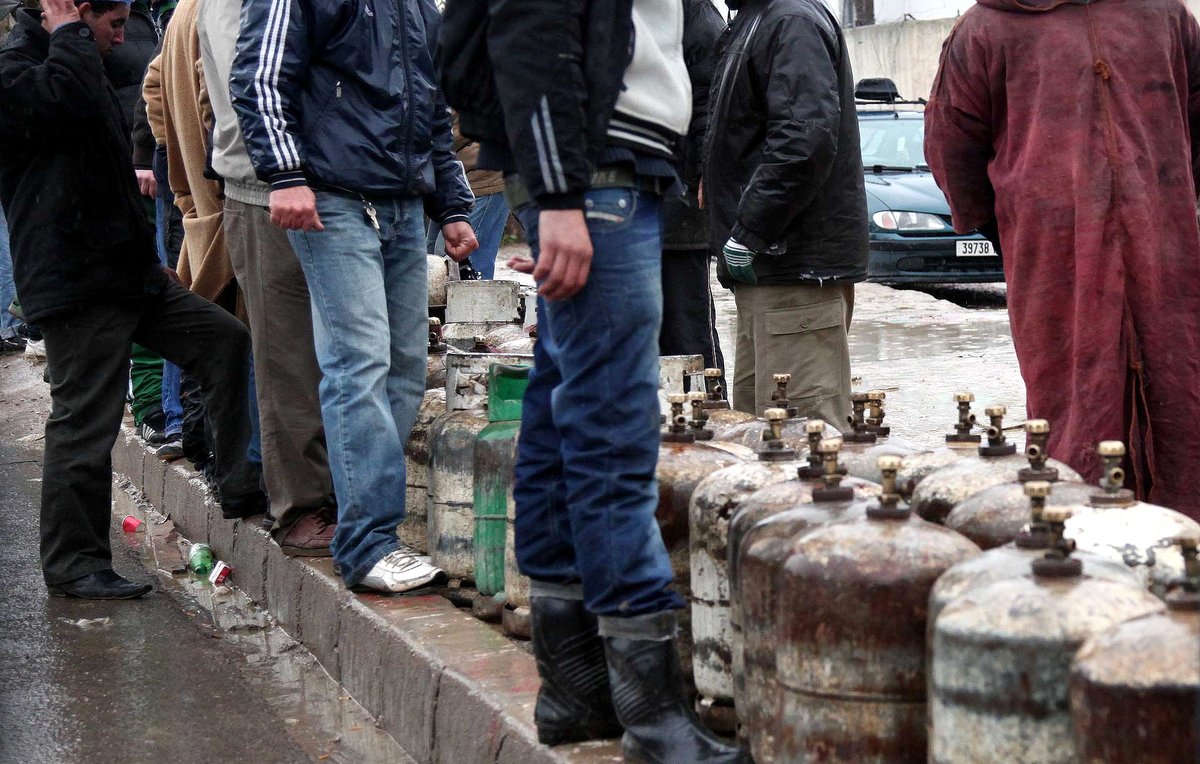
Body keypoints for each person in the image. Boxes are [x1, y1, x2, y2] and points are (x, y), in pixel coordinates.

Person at [443, 0, 748, 759]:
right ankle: (654, 720)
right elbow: (531, 26)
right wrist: (558, 196)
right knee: (613, 432)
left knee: (558, 416)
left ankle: (577, 689)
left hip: (600, 168)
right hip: (595, 174)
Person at [0, 0, 265, 599]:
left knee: (224, 340)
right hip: (74, 283)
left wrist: (150, 265)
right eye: (111, 25)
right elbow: (62, 107)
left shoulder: (75, 62)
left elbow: (104, 174)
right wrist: (68, 31)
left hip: (125, 275)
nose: (120, 39)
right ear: (73, 13)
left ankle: (236, 482)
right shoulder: (18, 70)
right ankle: (74, 565)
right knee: (84, 426)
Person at [232, 0, 477, 592]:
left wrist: (451, 203)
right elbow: (259, 76)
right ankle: (367, 543)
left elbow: (429, 107)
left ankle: (370, 527)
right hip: (334, 198)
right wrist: (286, 174)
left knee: (404, 371)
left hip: (400, 203)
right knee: (359, 363)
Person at [924, 0, 1200, 519]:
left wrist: (1167, 203)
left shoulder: (1163, 14)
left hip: (1158, 249)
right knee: (1074, 396)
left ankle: (1172, 544)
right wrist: (1015, 226)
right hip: (1061, 258)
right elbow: (953, 141)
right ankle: (1078, 533)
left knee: (1176, 391)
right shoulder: (991, 26)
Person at [198, 0, 337, 555]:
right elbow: (253, 87)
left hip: (329, 188)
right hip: (272, 193)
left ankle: (335, 498)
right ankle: (301, 508)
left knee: (341, 360)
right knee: (288, 362)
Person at [703, 0, 867, 427]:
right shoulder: (758, 19)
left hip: (793, 267)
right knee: (762, 435)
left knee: (802, 437)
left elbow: (804, 139)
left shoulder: (790, 20)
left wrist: (751, 228)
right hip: (767, 271)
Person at [659, 0, 727, 376]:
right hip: (642, 202)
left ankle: (705, 418)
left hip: (677, 203)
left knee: (688, 335)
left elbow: (710, 103)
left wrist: (702, 174)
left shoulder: (694, 14)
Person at [427, 114, 510, 279]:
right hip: (447, 184)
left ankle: (480, 304)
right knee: (432, 261)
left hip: (483, 179)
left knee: (463, 265)